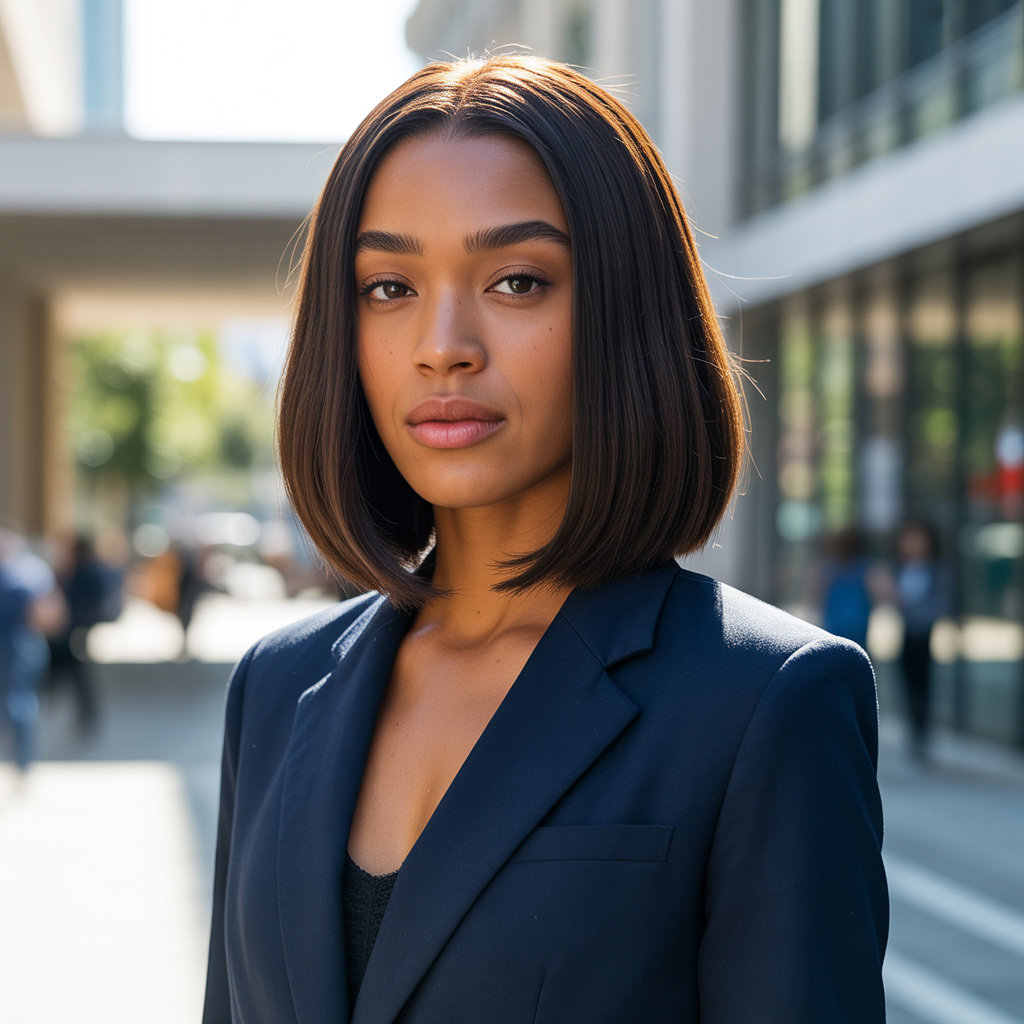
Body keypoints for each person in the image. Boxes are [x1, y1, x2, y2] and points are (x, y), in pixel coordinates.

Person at [203, 57, 887, 1024]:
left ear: (625, 311)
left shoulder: (764, 703)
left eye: (517, 281)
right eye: (389, 287)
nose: (443, 345)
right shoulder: (275, 686)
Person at [0, 527, 65, 771]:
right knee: (20, 699)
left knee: (17, 701)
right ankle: (23, 762)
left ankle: (22, 760)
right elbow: (50, 614)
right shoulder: (32, 570)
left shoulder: (27, 571)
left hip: (19, 643)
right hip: (24, 643)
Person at [48, 534, 123, 732]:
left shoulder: (89, 571)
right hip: (66, 630)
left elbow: (97, 600)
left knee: (76, 672)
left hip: (78, 629)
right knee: (69, 671)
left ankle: (86, 714)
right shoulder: (68, 569)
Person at [895, 519, 950, 759]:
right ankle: (914, 732)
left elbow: (942, 603)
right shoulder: (900, 568)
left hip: (926, 635)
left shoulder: (937, 570)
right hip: (906, 634)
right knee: (908, 685)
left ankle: (923, 733)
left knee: (924, 685)